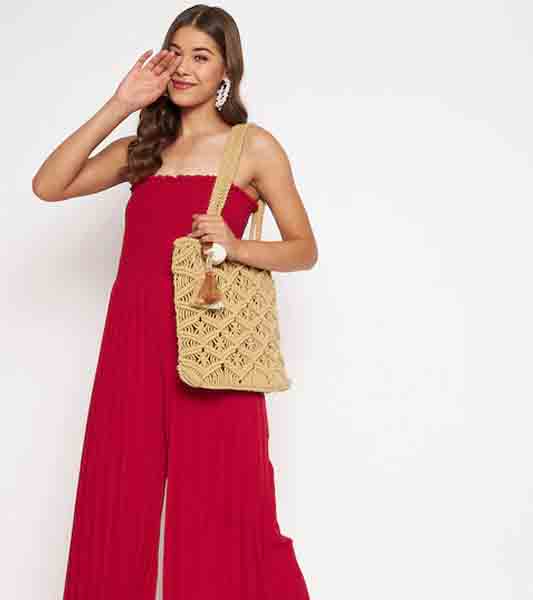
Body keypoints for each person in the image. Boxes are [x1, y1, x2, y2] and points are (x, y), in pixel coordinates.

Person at [32, 6, 317, 599]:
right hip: (134, 344)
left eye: (201, 57)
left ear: (226, 71)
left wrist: (235, 246)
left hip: (214, 347)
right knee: (119, 493)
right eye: (176, 53)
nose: (185, 68)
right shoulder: (143, 148)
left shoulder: (253, 148)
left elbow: (303, 249)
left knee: (228, 501)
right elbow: (48, 185)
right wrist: (120, 104)